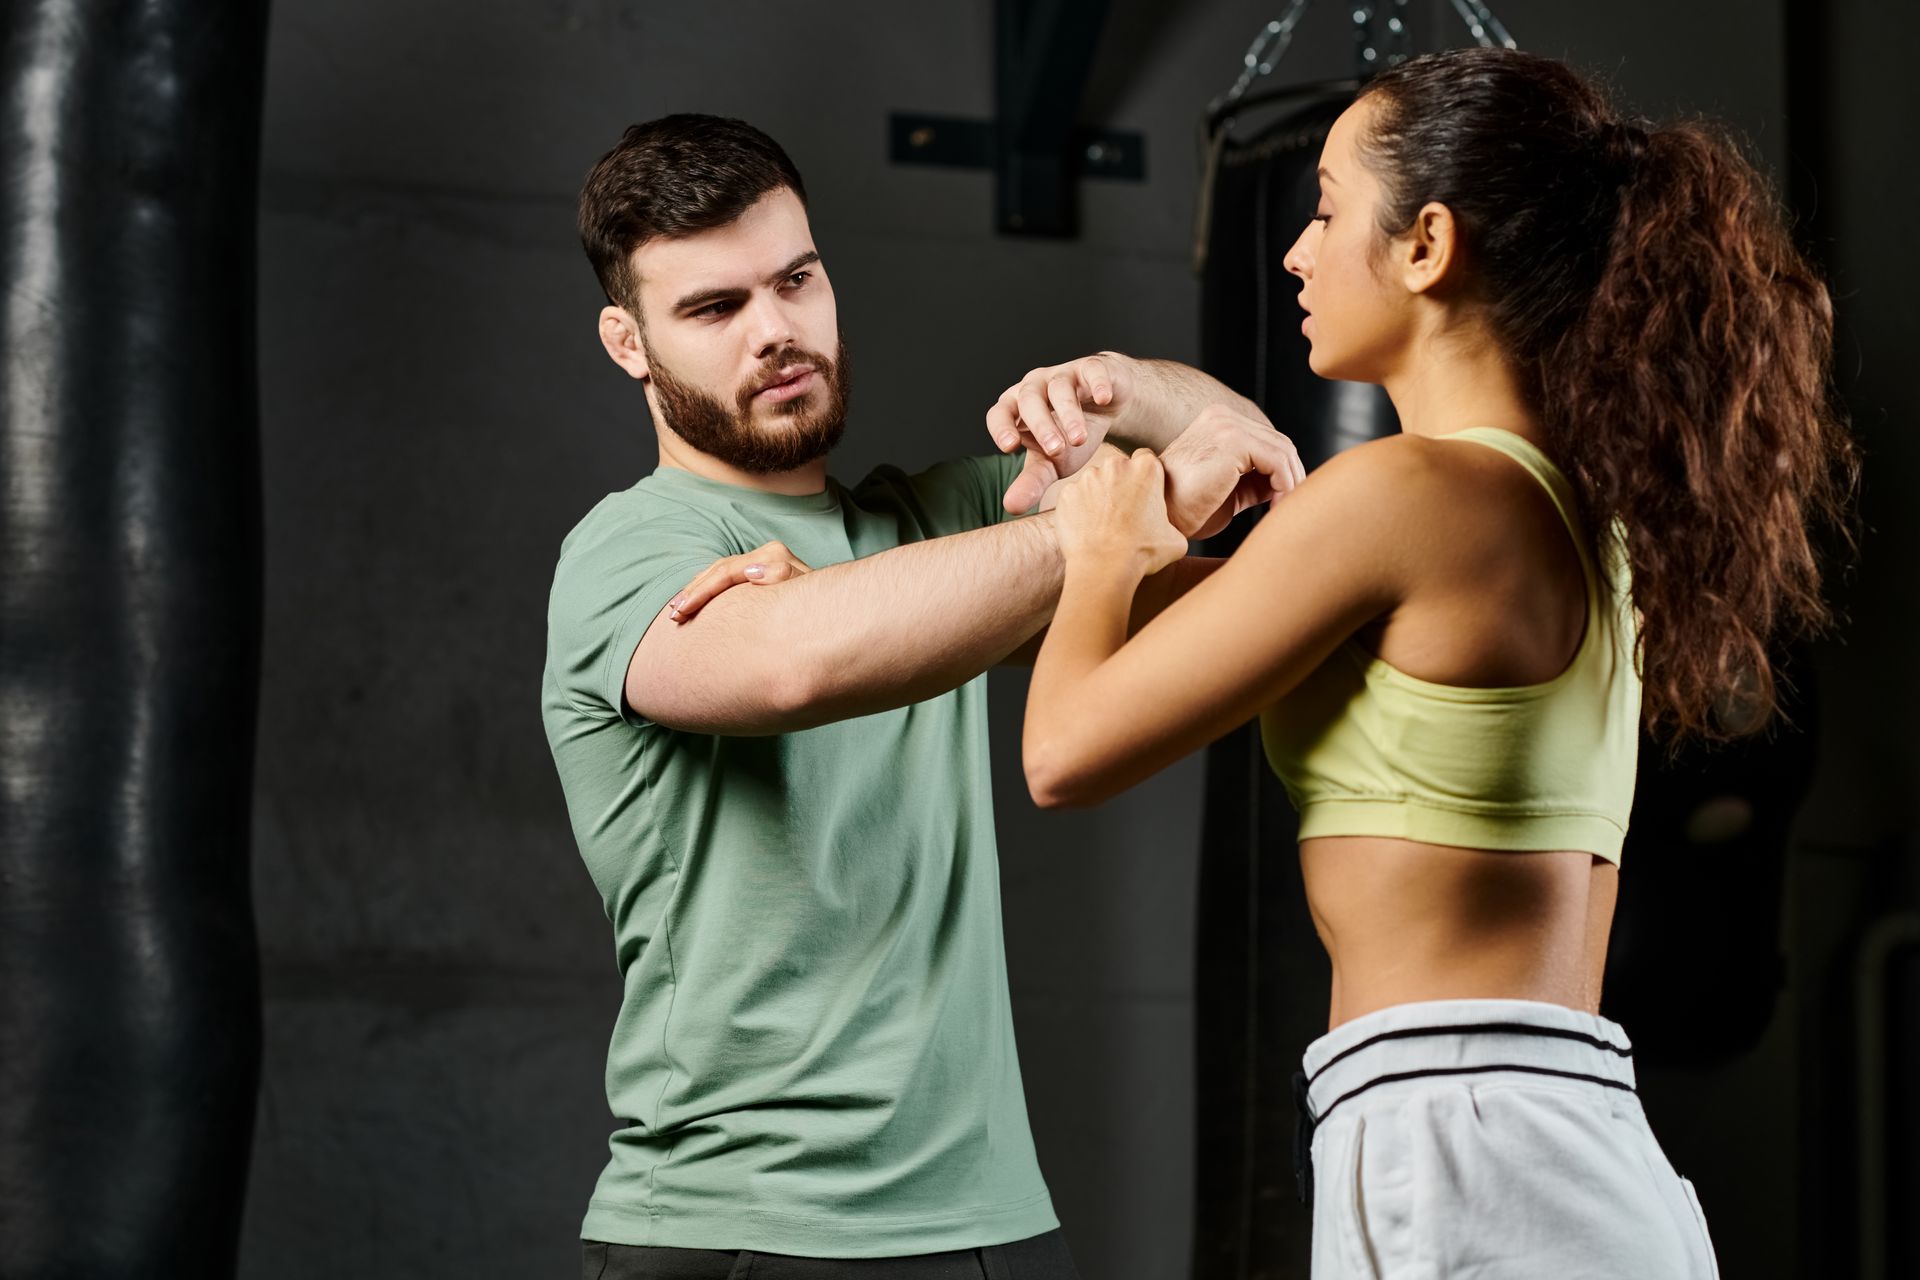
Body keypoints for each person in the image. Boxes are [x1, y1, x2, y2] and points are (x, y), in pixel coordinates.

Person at [1006, 47, 1855, 1279]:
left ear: (1427, 245)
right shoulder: (1565, 509)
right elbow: (1179, 630)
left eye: (1325, 210)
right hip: (1548, 1137)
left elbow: (1063, 750)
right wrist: (1131, 460)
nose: (1294, 253)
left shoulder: (1403, 495)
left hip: (1463, 1143)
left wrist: (1096, 544)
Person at [541, 113, 1302, 1280]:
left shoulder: (933, 527)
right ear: (627, 342)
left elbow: (1248, 452)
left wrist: (1119, 388)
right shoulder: (628, 549)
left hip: (973, 1221)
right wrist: (1111, 528)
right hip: (738, 1227)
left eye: (796, 279)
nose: (776, 330)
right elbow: (791, 661)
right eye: (715, 307)